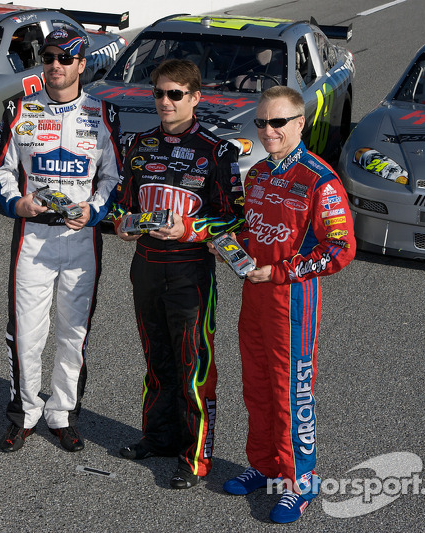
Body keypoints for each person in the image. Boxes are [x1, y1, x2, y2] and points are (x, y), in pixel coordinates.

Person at [212, 86, 356, 523]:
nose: (268, 130)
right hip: (253, 294)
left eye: (277, 122)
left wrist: (279, 272)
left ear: (299, 123)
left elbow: (340, 249)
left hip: (291, 299)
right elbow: (247, 231)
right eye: (260, 122)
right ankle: (265, 465)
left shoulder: (320, 179)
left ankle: (300, 482)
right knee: (256, 385)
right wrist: (230, 246)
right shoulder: (256, 173)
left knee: (291, 391)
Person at [112, 59, 245, 489]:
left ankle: (196, 455)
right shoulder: (139, 144)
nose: (165, 102)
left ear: (195, 97)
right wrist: (121, 223)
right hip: (146, 266)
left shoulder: (218, 150)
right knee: (156, 360)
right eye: (159, 93)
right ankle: (158, 437)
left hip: (190, 271)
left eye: (175, 94)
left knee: (193, 367)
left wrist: (190, 229)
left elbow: (235, 217)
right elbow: (121, 205)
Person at [0, 28, 122, 453]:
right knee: (25, 333)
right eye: (49, 57)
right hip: (32, 238)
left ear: (82, 64)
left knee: (73, 334)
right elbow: (0, 171)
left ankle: (62, 413)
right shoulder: (19, 109)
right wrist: (15, 203)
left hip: (80, 241)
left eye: (66, 58)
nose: (56, 65)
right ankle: (24, 412)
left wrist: (96, 210)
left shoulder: (103, 114)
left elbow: (113, 178)